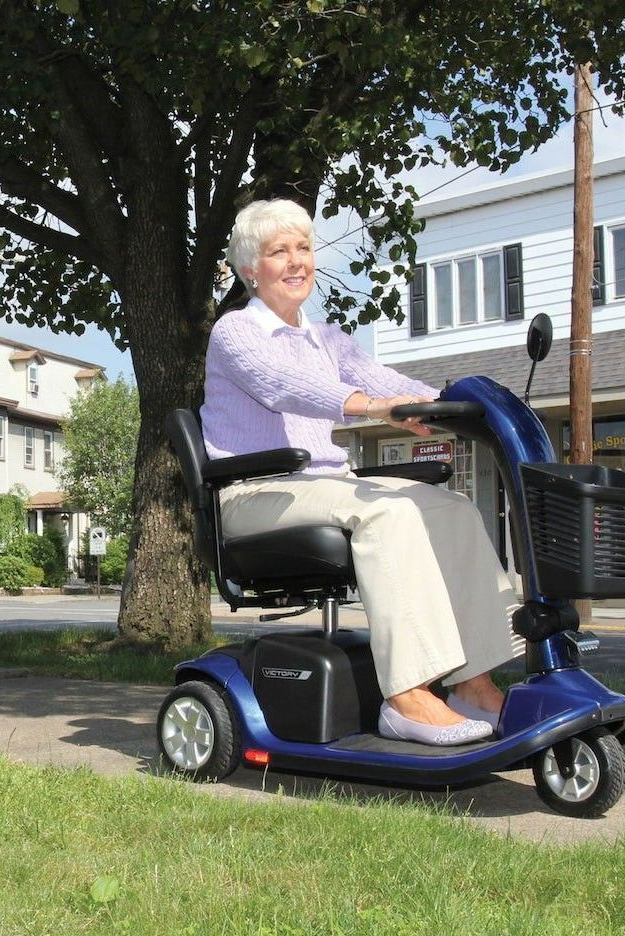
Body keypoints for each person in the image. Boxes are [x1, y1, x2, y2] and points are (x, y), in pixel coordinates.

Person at [201, 198, 521, 746]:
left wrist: (452, 406)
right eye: (280, 252)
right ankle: (407, 696)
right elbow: (285, 386)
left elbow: (378, 375)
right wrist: (372, 407)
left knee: (454, 508)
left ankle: (474, 682)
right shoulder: (234, 333)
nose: (297, 261)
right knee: (387, 511)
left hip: (323, 488)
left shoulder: (325, 339)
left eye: (304, 248)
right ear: (250, 269)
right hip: (254, 494)